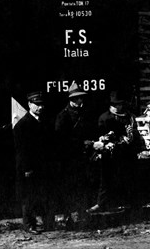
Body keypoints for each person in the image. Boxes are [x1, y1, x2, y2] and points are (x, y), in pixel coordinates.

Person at [87, 90, 141, 213]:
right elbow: (101, 137)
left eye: (120, 104)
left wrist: (130, 138)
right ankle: (102, 204)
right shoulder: (104, 118)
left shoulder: (129, 117)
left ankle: (129, 204)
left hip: (126, 153)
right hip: (109, 154)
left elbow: (134, 134)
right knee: (106, 180)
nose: (118, 107)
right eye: (115, 105)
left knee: (127, 179)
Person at [54, 82, 94, 227]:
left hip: (82, 158)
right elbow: (61, 140)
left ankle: (81, 214)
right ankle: (66, 217)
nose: (80, 100)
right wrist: (83, 143)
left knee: (82, 187)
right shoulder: (63, 116)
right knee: (68, 188)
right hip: (68, 160)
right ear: (71, 99)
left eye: (81, 98)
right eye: (77, 98)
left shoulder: (83, 113)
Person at [13, 91, 54, 233]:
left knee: (44, 194)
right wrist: (27, 169)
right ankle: (29, 225)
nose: (40, 107)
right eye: (37, 105)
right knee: (29, 197)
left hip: (43, 167)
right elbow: (22, 151)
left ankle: (48, 222)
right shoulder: (22, 125)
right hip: (29, 168)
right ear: (30, 104)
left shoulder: (45, 122)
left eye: (42, 105)